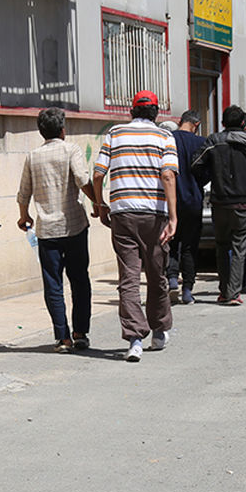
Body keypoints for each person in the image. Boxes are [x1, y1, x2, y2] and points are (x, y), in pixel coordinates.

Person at [93, 90, 177, 362]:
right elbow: (167, 174)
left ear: (132, 111)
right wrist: (173, 217)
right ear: (155, 112)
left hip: (123, 214)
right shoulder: (165, 136)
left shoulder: (115, 134)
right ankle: (159, 330)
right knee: (157, 275)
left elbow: (97, 173)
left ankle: (134, 339)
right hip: (154, 215)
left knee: (128, 278)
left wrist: (100, 204)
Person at [17, 107, 95, 348]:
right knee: (80, 280)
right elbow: (83, 180)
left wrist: (24, 217)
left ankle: (63, 337)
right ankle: (80, 333)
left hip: (47, 231)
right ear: (63, 129)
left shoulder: (33, 156)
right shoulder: (71, 149)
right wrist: (99, 205)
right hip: (74, 227)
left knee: (53, 284)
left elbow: (23, 193)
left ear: (42, 132)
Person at [192, 105, 246, 304]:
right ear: (243, 123)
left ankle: (225, 291)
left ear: (223, 123)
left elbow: (195, 163)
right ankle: (233, 292)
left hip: (221, 201)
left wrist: (209, 177)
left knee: (222, 246)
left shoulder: (214, 141)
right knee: (240, 248)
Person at [166, 110, 206, 303]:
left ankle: (172, 278)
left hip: (170, 200)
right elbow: (206, 173)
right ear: (196, 125)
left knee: (171, 242)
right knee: (190, 246)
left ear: (179, 121)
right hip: (193, 199)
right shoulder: (201, 143)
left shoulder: (168, 139)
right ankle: (188, 290)